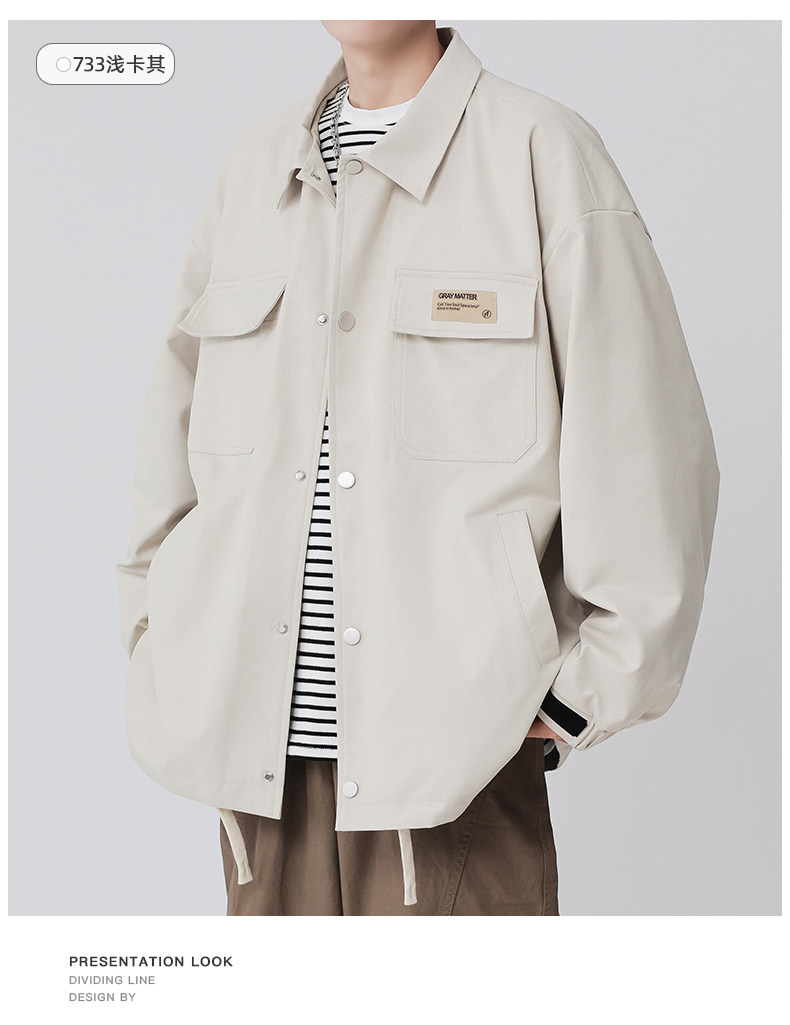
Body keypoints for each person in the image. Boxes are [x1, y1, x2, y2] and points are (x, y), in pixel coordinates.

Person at [115, 21, 721, 916]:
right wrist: (158, 639)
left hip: (455, 777)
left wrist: (584, 692)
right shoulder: (252, 172)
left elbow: (648, 445)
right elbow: (174, 443)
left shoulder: (540, 152)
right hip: (257, 770)